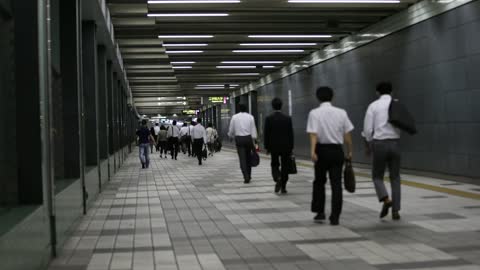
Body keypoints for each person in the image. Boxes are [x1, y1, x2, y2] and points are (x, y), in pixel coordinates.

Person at [307, 86, 354, 226]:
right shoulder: (341, 113)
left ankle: (320, 212)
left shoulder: (314, 113)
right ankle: (335, 216)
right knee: (336, 184)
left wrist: (313, 151)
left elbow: (313, 134)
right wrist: (350, 150)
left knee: (319, 182)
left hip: (321, 151)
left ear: (318, 97)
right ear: (332, 97)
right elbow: (347, 134)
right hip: (336, 151)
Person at [363, 82, 402, 221]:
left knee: (377, 176)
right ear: (391, 92)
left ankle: (386, 199)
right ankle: (396, 211)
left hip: (379, 144)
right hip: (395, 143)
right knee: (395, 178)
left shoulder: (373, 106)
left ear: (377, 92)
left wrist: (368, 143)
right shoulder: (397, 104)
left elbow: (368, 129)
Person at [264, 98, 294, 194]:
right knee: (285, 165)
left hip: (274, 146)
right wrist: (291, 147)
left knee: (275, 164)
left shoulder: (269, 118)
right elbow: (291, 134)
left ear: (273, 106)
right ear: (281, 106)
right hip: (286, 146)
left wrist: (267, 147)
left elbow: (266, 134)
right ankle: (283, 187)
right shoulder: (287, 118)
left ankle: (277, 178)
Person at [228, 104, 258, 184]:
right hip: (248, 139)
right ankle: (249, 174)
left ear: (239, 109)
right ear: (246, 109)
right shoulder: (250, 117)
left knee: (242, 159)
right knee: (248, 158)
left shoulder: (234, 117)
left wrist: (230, 136)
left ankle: (246, 176)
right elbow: (253, 129)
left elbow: (231, 129)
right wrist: (254, 140)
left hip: (239, 139)